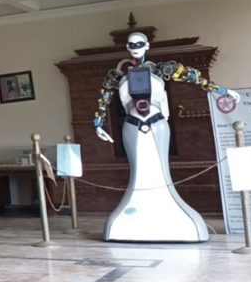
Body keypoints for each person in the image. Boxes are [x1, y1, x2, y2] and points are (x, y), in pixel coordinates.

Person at [93, 31, 240, 242]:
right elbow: (104, 99)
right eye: (131, 44)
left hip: (157, 123)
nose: (135, 47)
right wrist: (98, 123)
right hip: (132, 125)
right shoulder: (118, 76)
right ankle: (132, 214)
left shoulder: (162, 69)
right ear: (127, 47)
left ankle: (168, 211)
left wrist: (222, 90)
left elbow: (195, 78)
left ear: (147, 46)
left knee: (160, 169)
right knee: (138, 171)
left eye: (140, 43)